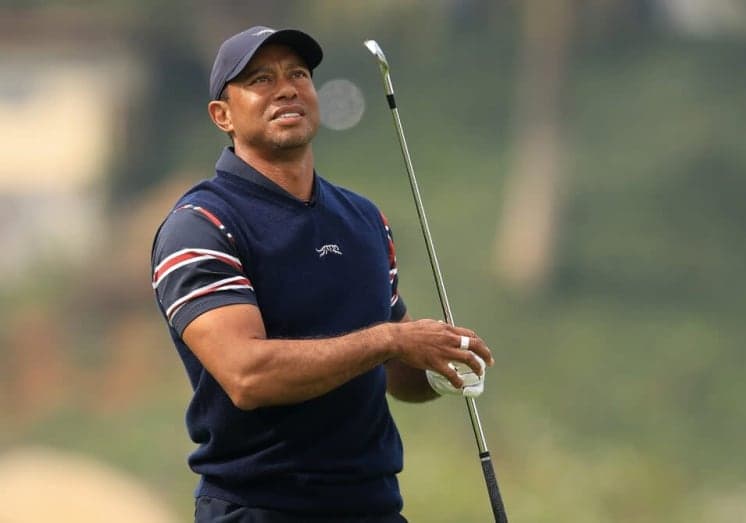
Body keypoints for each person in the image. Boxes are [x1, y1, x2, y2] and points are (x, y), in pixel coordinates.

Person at [150, 25, 494, 523]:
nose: (286, 89)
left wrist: (442, 368)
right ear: (222, 115)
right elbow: (247, 375)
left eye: (298, 75)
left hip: (374, 507)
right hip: (259, 510)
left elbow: (396, 375)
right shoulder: (202, 224)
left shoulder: (364, 219)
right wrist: (391, 340)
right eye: (261, 79)